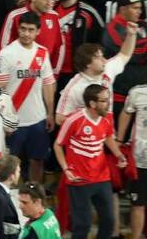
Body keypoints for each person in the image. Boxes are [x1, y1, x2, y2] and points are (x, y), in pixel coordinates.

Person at [54, 84, 128, 239]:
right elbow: (58, 145)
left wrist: (119, 154)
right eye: (104, 101)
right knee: (83, 225)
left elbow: (107, 137)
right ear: (92, 103)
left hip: (102, 177)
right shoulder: (74, 120)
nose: (108, 104)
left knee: (109, 220)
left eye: (108, 99)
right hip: (79, 179)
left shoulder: (106, 118)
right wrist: (66, 169)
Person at [0, 11, 56, 183]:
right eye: (23, 29)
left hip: (37, 119)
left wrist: (50, 113)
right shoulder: (7, 53)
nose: (26, 34)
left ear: (38, 31)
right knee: (9, 164)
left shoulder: (42, 53)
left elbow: (48, 84)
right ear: (18, 28)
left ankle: (34, 190)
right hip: (13, 121)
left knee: (38, 160)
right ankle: (9, 193)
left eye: (30, 30)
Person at [57, 31, 136, 125]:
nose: (104, 60)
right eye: (98, 58)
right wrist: (90, 125)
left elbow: (124, 54)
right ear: (87, 64)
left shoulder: (107, 69)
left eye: (103, 56)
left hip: (107, 129)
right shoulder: (74, 88)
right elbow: (59, 118)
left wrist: (131, 35)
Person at [116, 64, 147, 239]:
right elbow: (126, 113)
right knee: (138, 204)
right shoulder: (137, 93)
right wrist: (119, 139)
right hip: (141, 161)